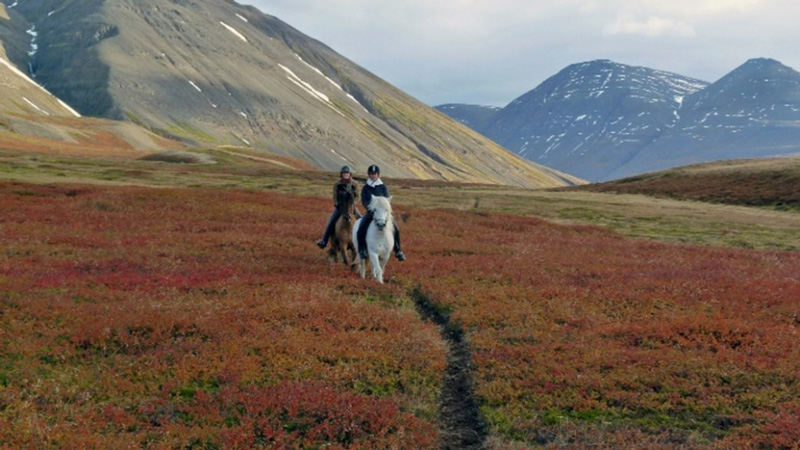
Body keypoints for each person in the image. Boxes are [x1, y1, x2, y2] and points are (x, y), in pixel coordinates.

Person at [356, 164, 405, 261]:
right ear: (369, 175)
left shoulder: (383, 187)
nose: (373, 176)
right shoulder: (366, 188)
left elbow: (386, 199)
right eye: (371, 174)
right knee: (361, 227)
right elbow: (364, 200)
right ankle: (362, 249)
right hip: (371, 212)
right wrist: (370, 208)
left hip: (383, 213)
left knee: (396, 228)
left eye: (374, 174)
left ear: (378, 175)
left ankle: (398, 251)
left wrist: (383, 209)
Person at [316, 166, 360, 249]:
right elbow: (335, 195)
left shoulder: (355, 184)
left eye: (347, 173)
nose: (345, 175)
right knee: (331, 221)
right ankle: (324, 241)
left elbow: (357, 196)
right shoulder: (337, 184)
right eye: (344, 173)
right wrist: (337, 204)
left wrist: (353, 204)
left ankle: (363, 241)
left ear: (350, 174)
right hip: (340, 207)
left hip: (351, 206)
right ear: (341, 174)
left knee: (361, 219)